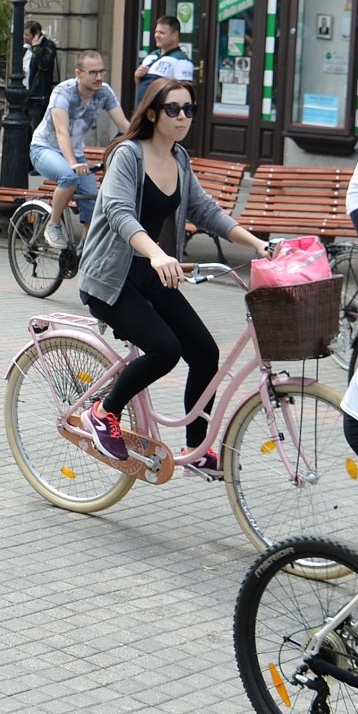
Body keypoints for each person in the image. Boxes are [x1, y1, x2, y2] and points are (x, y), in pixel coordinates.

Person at [76, 78, 271, 469]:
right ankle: (103, 411)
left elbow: (206, 211)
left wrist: (258, 245)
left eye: (189, 109)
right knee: (166, 349)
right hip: (109, 278)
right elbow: (118, 211)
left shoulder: (179, 159)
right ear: (152, 113)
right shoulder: (127, 155)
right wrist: (157, 254)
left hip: (148, 273)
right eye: (173, 109)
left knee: (204, 352)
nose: (183, 117)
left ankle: (196, 450)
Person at [32, 49, 129, 249]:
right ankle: (53, 224)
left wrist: (145, 146)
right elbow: (61, 132)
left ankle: (86, 251)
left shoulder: (104, 92)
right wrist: (73, 163)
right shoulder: (63, 92)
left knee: (94, 202)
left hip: (75, 154)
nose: (99, 77)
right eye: (93, 72)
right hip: (45, 148)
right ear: (78, 73)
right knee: (69, 177)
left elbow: (124, 126)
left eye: (102, 71)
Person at [133, 14, 194, 102]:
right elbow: (143, 86)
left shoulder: (181, 61)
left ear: (175, 35)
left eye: (162, 33)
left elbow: (185, 93)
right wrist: (137, 76)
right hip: (143, 110)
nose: (157, 35)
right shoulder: (151, 56)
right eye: (156, 32)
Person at [22, 20, 60, 123]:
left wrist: (36, 48)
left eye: (27, 35)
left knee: (35, 128)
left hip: (38, 96)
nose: (24, 37)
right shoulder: (25, 48)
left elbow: (44, 65)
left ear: (36, 34)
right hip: (25, 93)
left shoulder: (48, 46)